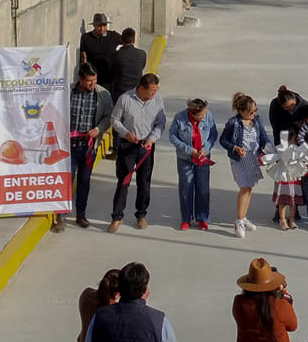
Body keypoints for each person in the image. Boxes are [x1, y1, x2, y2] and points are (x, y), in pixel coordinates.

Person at [108, 72, 165, 233]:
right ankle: (117, 217)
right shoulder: (125, 99)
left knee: (144, 182)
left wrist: (152, 139)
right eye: (151, 91)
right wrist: (126, 133)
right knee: (123, 182)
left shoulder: (158, 100)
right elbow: (115, 119)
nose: (154, 94)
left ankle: (141, 215)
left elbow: (161, 123)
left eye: (155, 90)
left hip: (146, 147)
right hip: (128, 145)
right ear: (141, 88)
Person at [65, 67, 114, 231]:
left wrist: (98, 129)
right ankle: (61, 215)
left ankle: (81, 214)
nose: (93, 84)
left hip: (88, 148)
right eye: (89, 81)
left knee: (84, 182)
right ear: (80, 79)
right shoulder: (68, 92)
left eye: (95, 80)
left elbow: (109, 116)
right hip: (68, 147)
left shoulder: (103, 94)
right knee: (67, 180)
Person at [222, 92, 274, 236]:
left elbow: (263, 138)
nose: (253, 113)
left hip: (252, 158)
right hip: (239, 159)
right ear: (241, 111)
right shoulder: (233, 123)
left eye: (255, 110)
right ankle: (239, 220)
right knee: (244, 188)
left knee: (249, 188)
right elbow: (223, 140)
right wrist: (235, 148)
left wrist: (272, 152)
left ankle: (244, 217)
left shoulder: (256, 121)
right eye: (250, 111)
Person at [168, 97, 219, 230]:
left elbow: (213, 134)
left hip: (203, 157)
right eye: (200, 116)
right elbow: (172, 136)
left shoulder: (208, 116)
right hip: (185, 158)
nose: (203, 117)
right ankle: (186, 218)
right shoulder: (180, 118)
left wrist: (206, 148)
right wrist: (189, 150)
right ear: (192, 113)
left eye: (204, 114)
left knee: (203, 188)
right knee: (186, 188)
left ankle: (202, 217)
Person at [78, 12, 120, 88]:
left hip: (110, 78)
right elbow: (83, 58)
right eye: (99, 26)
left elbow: (126, 43)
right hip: (94, 79)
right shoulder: (86, 38)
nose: (102, 29)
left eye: (104, 25)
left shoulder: (114, 36)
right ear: (94, 26)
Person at [107, 28, 148, 101]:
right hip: (136, 92)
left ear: (122, 40)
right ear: (134, 40)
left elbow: (111, 71)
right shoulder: (142, 54)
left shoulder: (116, 55)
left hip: (119, 92)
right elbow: (142, 66)